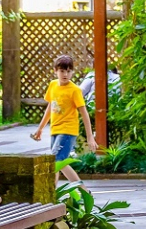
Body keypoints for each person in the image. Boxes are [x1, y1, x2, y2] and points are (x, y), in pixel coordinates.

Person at [30, 54, 97, 183]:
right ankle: (84, 191)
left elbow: (84, 113)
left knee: (55, 161)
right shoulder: (53, 85)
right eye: (62, 71)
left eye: (69, 71)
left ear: (72, 71)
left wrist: (90, 136)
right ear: (55, 71)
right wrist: (40, 128)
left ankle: (51, 194)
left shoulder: (74, 90)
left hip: (68, 131)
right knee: (61, 163)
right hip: (55, 130)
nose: (65, 74)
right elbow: (50, 107)